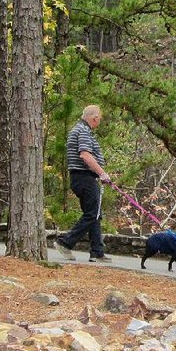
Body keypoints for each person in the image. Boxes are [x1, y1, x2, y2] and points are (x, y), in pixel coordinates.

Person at [54, 105, 113, 263]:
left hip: (83, 177)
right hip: (84, 177)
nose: (99, 122)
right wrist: (102, 173)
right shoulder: (83, 131)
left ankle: (97, 252)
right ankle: (65, 242)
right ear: (94, 118)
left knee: (95, 214)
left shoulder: (79, 130)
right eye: (99, 119)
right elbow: (85, 155)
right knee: (92, 214)